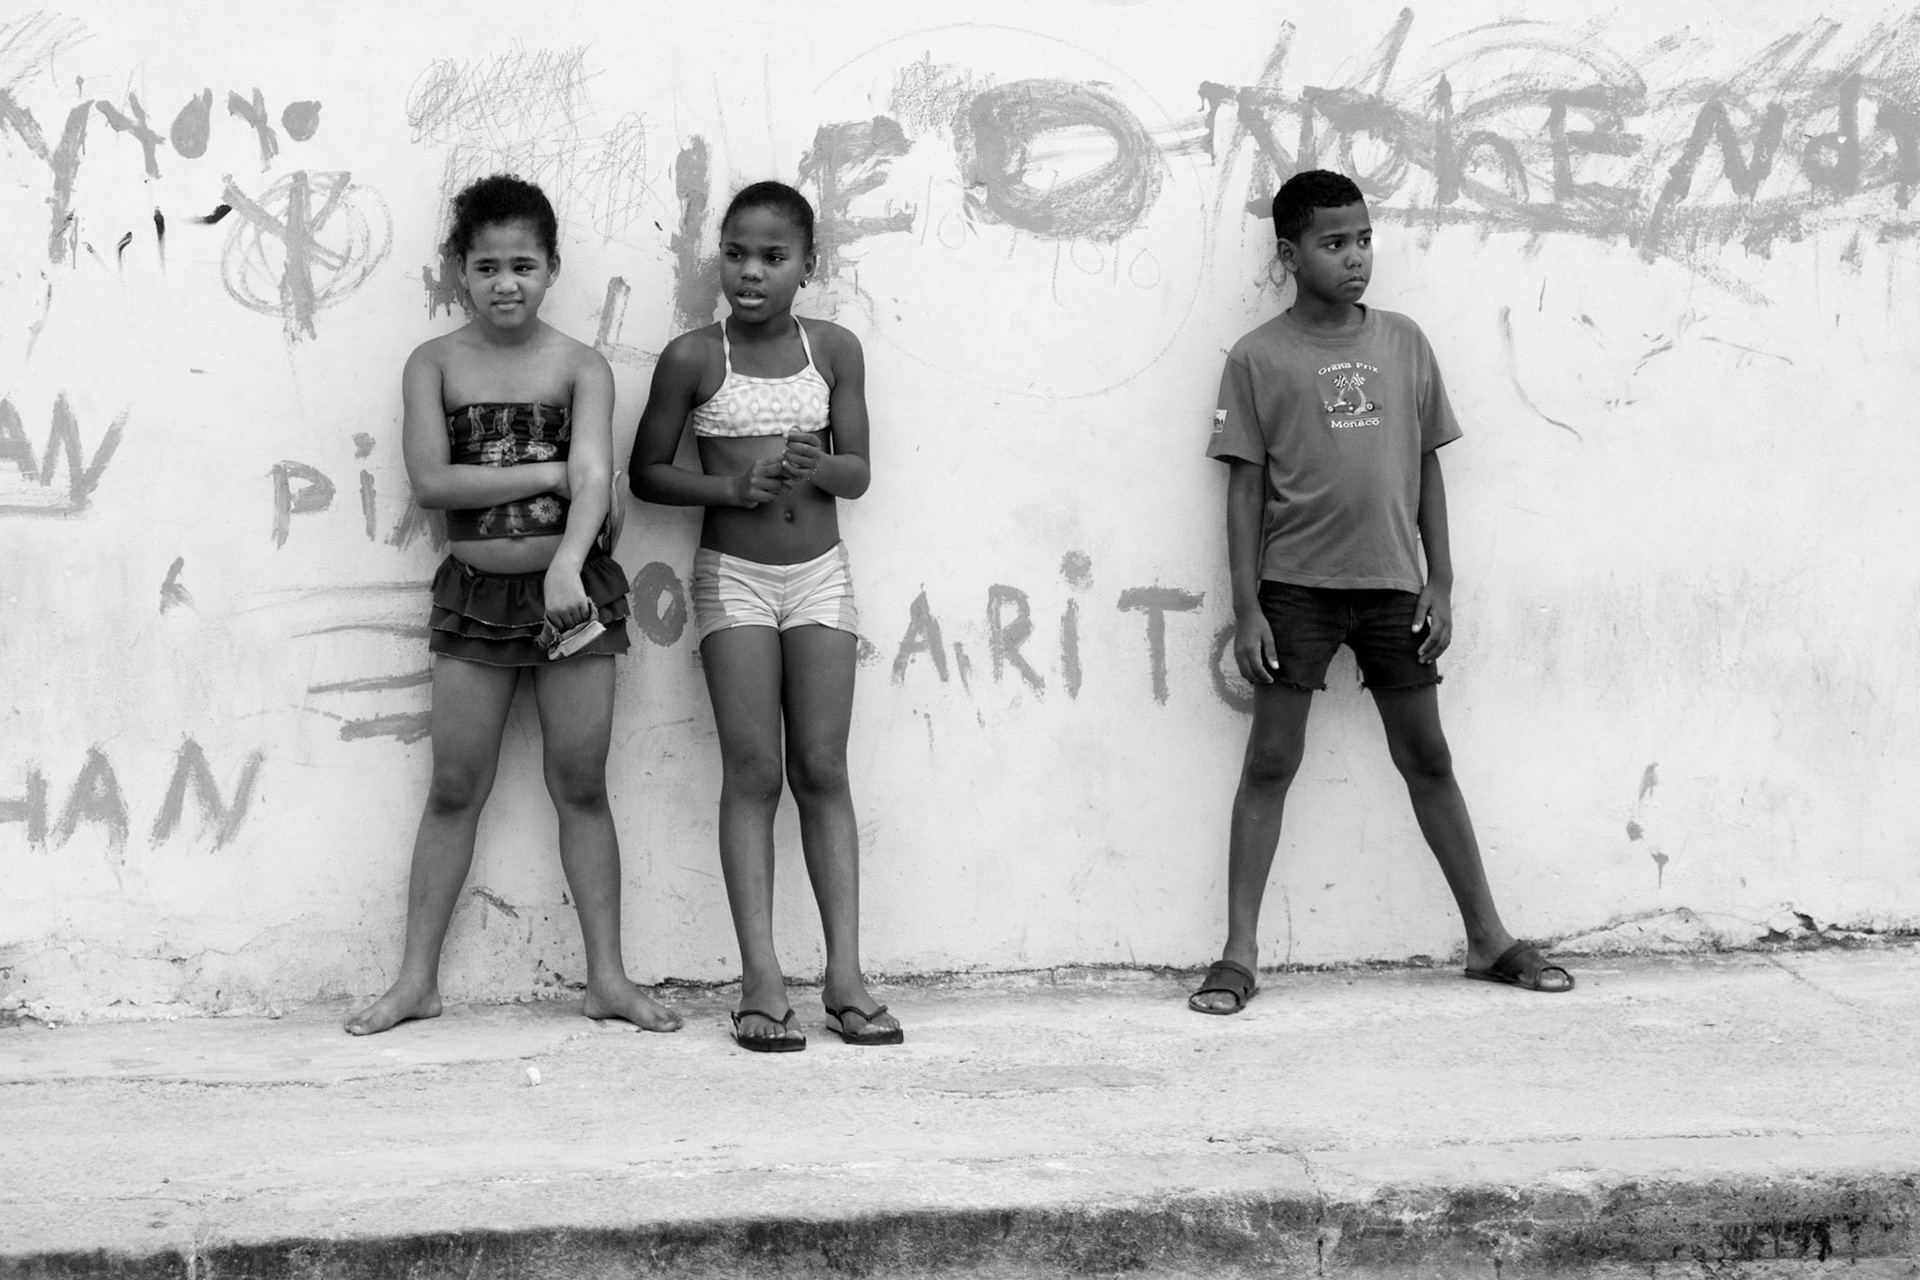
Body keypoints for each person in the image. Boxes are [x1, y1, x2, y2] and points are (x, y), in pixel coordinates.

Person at [1188, 169, 1574, 1015]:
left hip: (1396, 590)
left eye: (1363, 239)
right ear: (1292, 255)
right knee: (1270, 763)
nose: (1355, 258)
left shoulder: (1404, 342)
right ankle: (1238, 954)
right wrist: (1247, 606)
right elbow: (1243, 491)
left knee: (1428, 758)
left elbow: (1427, 466)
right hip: (1295, 591)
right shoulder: (1258, 358)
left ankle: (1487, 939)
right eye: (1334, 244)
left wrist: (1441, 580)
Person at [346, 174, 681, 1036]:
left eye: (523, 265)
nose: (506, 283)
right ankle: (416, 980)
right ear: (460, 270)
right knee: (456, 786)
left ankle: (606, 979)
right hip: (474, 599)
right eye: (487, 265)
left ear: (552, 268)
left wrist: (570, 562)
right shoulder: (435, 364)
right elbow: (432, 483)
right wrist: (552, 472)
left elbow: (600, 487)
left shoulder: (580, 365)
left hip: (577, 596)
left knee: (581, 785)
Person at [629, 181, 900, 1052]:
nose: (751, 273)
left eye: (773, 258)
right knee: (754, 771)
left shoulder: (835, 350)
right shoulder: (693, 358)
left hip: (820, 576)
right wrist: (731, 487)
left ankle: (846, 978)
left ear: (806, 267)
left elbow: (857, 472)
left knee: (822, 767)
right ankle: (761, 980)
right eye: (738, 254)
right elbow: (646, 472)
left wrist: (813, 466)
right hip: (734, 579)